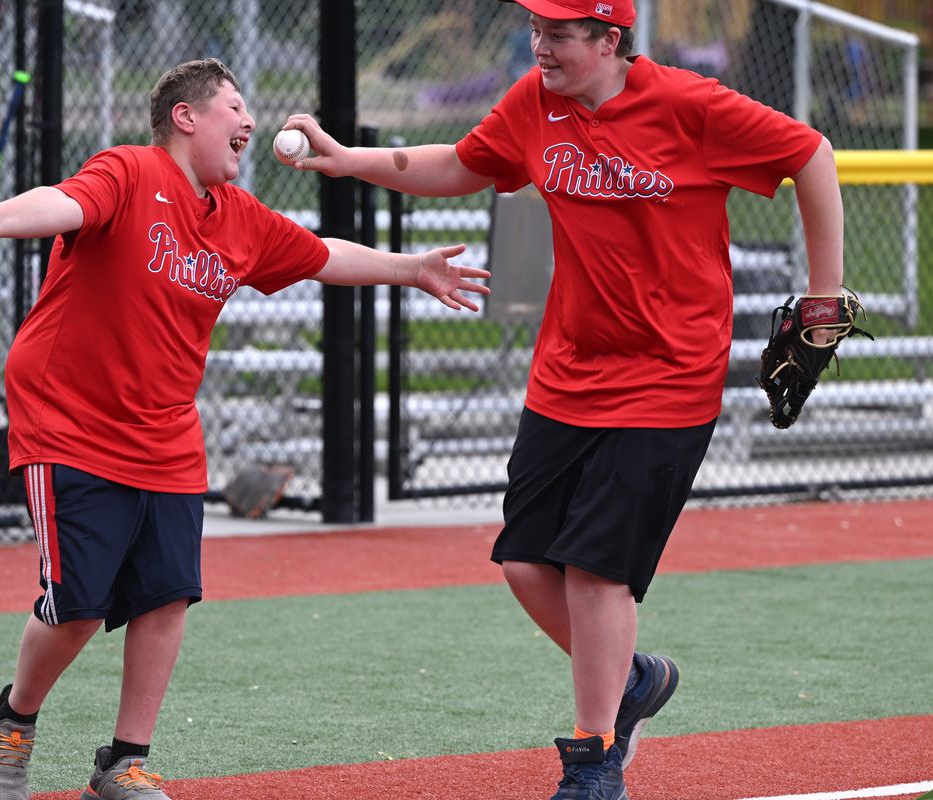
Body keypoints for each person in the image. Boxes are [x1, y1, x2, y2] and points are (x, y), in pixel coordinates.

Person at [281, 1, 845, 798]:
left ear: (610, 40)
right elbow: (463, 164)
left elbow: (811, 154)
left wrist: (823, 300)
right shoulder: (533, 103)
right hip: (569, 372)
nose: (539, 46)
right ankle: (633, 682)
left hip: (668, 374)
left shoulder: (690, 105)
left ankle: (594, 758)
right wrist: (352, 161)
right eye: (538, 31)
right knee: (522, 562)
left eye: (559, 33)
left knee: (593, 571)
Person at [0, 57, 490, 800]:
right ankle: (13, 723)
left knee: (167, 597)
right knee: (78, 608)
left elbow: (324, 255)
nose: (251, 122)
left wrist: (412, 268)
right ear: (187, 118)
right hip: (70, 419)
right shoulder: (129, 172)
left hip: (165, 430)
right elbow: (63, 206)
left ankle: (124, 763)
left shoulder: (238, 217)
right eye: (234, 106)